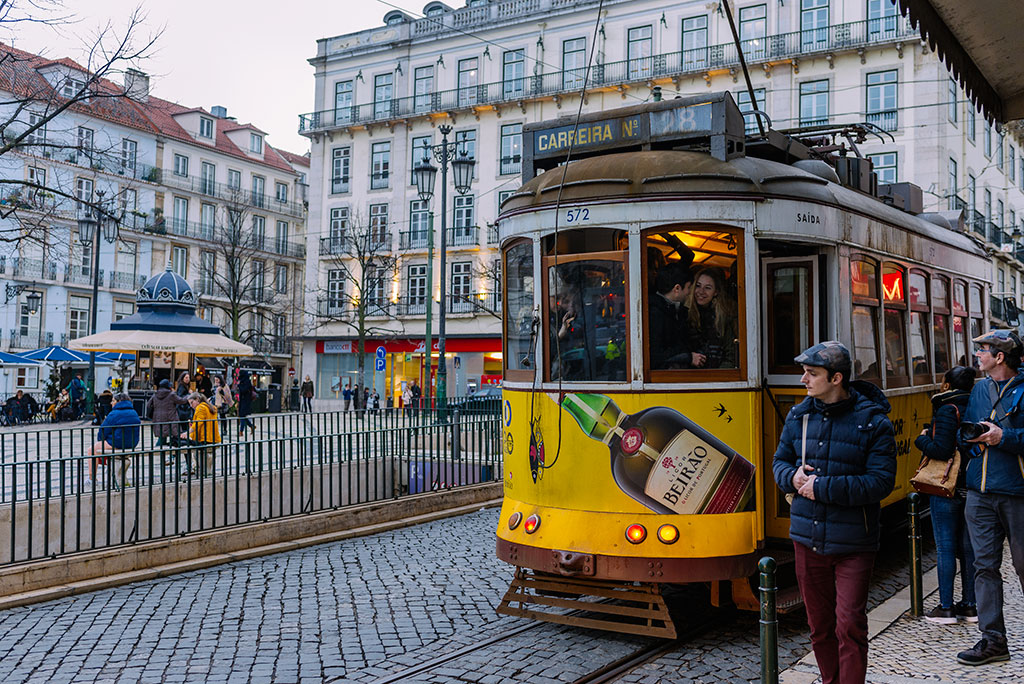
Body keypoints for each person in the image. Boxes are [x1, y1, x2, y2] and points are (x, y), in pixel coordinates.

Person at [773, 341, 897, 684]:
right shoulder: (799, 416)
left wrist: (822, 487)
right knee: (820, 627)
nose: (804, 380)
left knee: (850, 625)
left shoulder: (873, 422)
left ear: (837, 378)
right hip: (806, 538)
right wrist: (792, 477)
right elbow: (779, 462)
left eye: (812, 373)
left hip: (854, 541)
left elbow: (881, 482)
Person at [954, 330, 1024, 666]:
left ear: (1000, 356)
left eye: (983, 349)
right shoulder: (979, 389)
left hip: (1017, 491)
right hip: (979, 492)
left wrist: (1004, 437)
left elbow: (1013, 436)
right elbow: (965, 431)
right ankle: (993, 641)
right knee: (984, 567)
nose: (978, 354)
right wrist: (971, 437)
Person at [914, 365, 978, 625]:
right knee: (968, 548)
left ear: (946, 384)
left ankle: (946, 608)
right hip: (971, 485)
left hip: (947, 487)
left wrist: (921, 439)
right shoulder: (976, 405)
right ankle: (971, 607)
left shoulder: (945, 408)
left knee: (945, 548)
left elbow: (941, 450)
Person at [648, 262, 704, 370]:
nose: (690, 292)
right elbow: (655, 355)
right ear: (677, 289)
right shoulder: (655, 313)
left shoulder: (675, 310)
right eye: (688, 287)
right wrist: (688, 357)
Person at [685, 266, 737, 369]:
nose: (701, 291)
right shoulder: (685, 314)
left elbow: (731, 355)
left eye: (707, 288)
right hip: (687, 377)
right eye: (698, 286)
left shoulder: (723, 316)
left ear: (716, 292)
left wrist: (717, 378)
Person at [85, 393, 140, 489]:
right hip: (131, 444)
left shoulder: (114, 413)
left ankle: (91, 479)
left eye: (113, 400)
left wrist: (101, 440)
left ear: (119, 402)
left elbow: (103, 430)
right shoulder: (134, 412)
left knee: (91, 450)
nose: (111, 403)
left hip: (116, 443)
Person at [179, 392, 220, 477]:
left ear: (197, 400)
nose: (191, 405)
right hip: (212, 438)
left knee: (188, 448)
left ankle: (198, 471)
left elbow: (198, 423)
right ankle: (203, 471)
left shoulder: (200, 408)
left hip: (204, 438)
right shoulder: (209, 407)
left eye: (192, 402)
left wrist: (187, 433)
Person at [236, 369, 255, 436]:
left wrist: (239, 385)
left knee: (242, 415)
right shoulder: (242, 381)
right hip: (242, 400)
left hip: (246, 401)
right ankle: (251, 426)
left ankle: (241, 431)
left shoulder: (247, 381)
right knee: (242, 416)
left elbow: (244, 390)